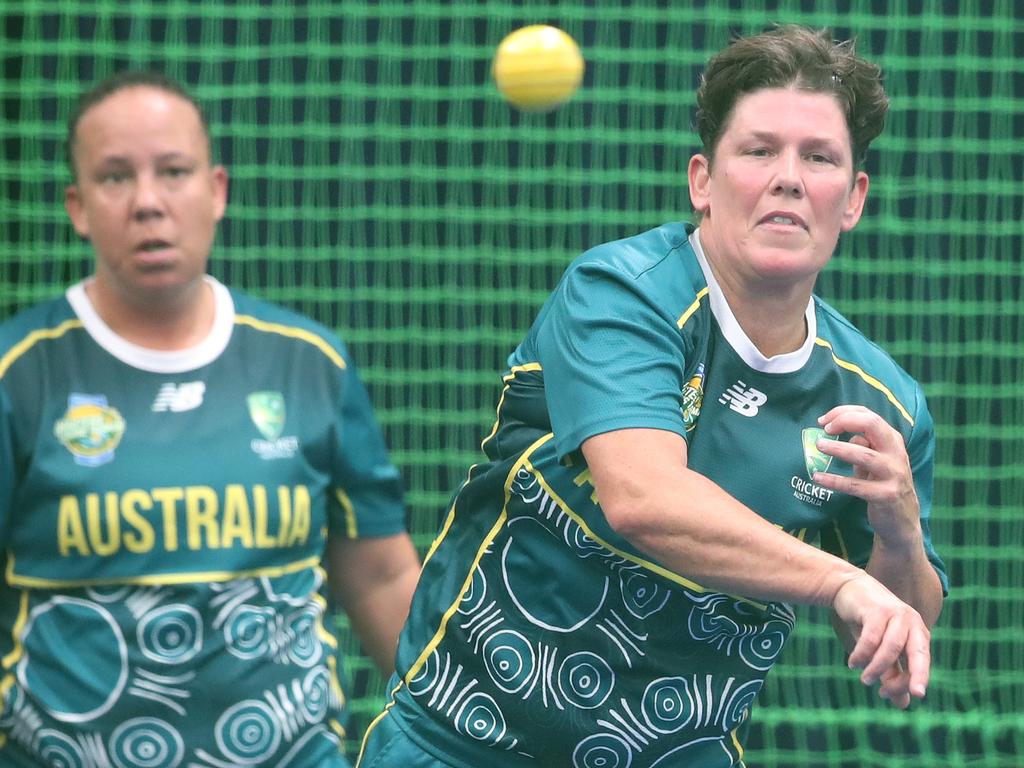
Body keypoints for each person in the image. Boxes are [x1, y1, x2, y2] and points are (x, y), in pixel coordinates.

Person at [357, 25, 947, 768]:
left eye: (819, 157)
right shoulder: (621, 293)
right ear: (703, 180)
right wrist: (837, 580)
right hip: (461, 744)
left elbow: (898, 641)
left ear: (853, 198)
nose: (788, 178)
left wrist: (896, 533)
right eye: (759, 150)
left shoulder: (882, 400)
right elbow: (644, 499)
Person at [0, 71, 421, 767]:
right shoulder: (19, 374)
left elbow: (379, 576)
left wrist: (470, 733)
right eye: (114, 178)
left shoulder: (307, 362)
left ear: (217, 189)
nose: (147, 203)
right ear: (77, 207)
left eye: (173, 172)